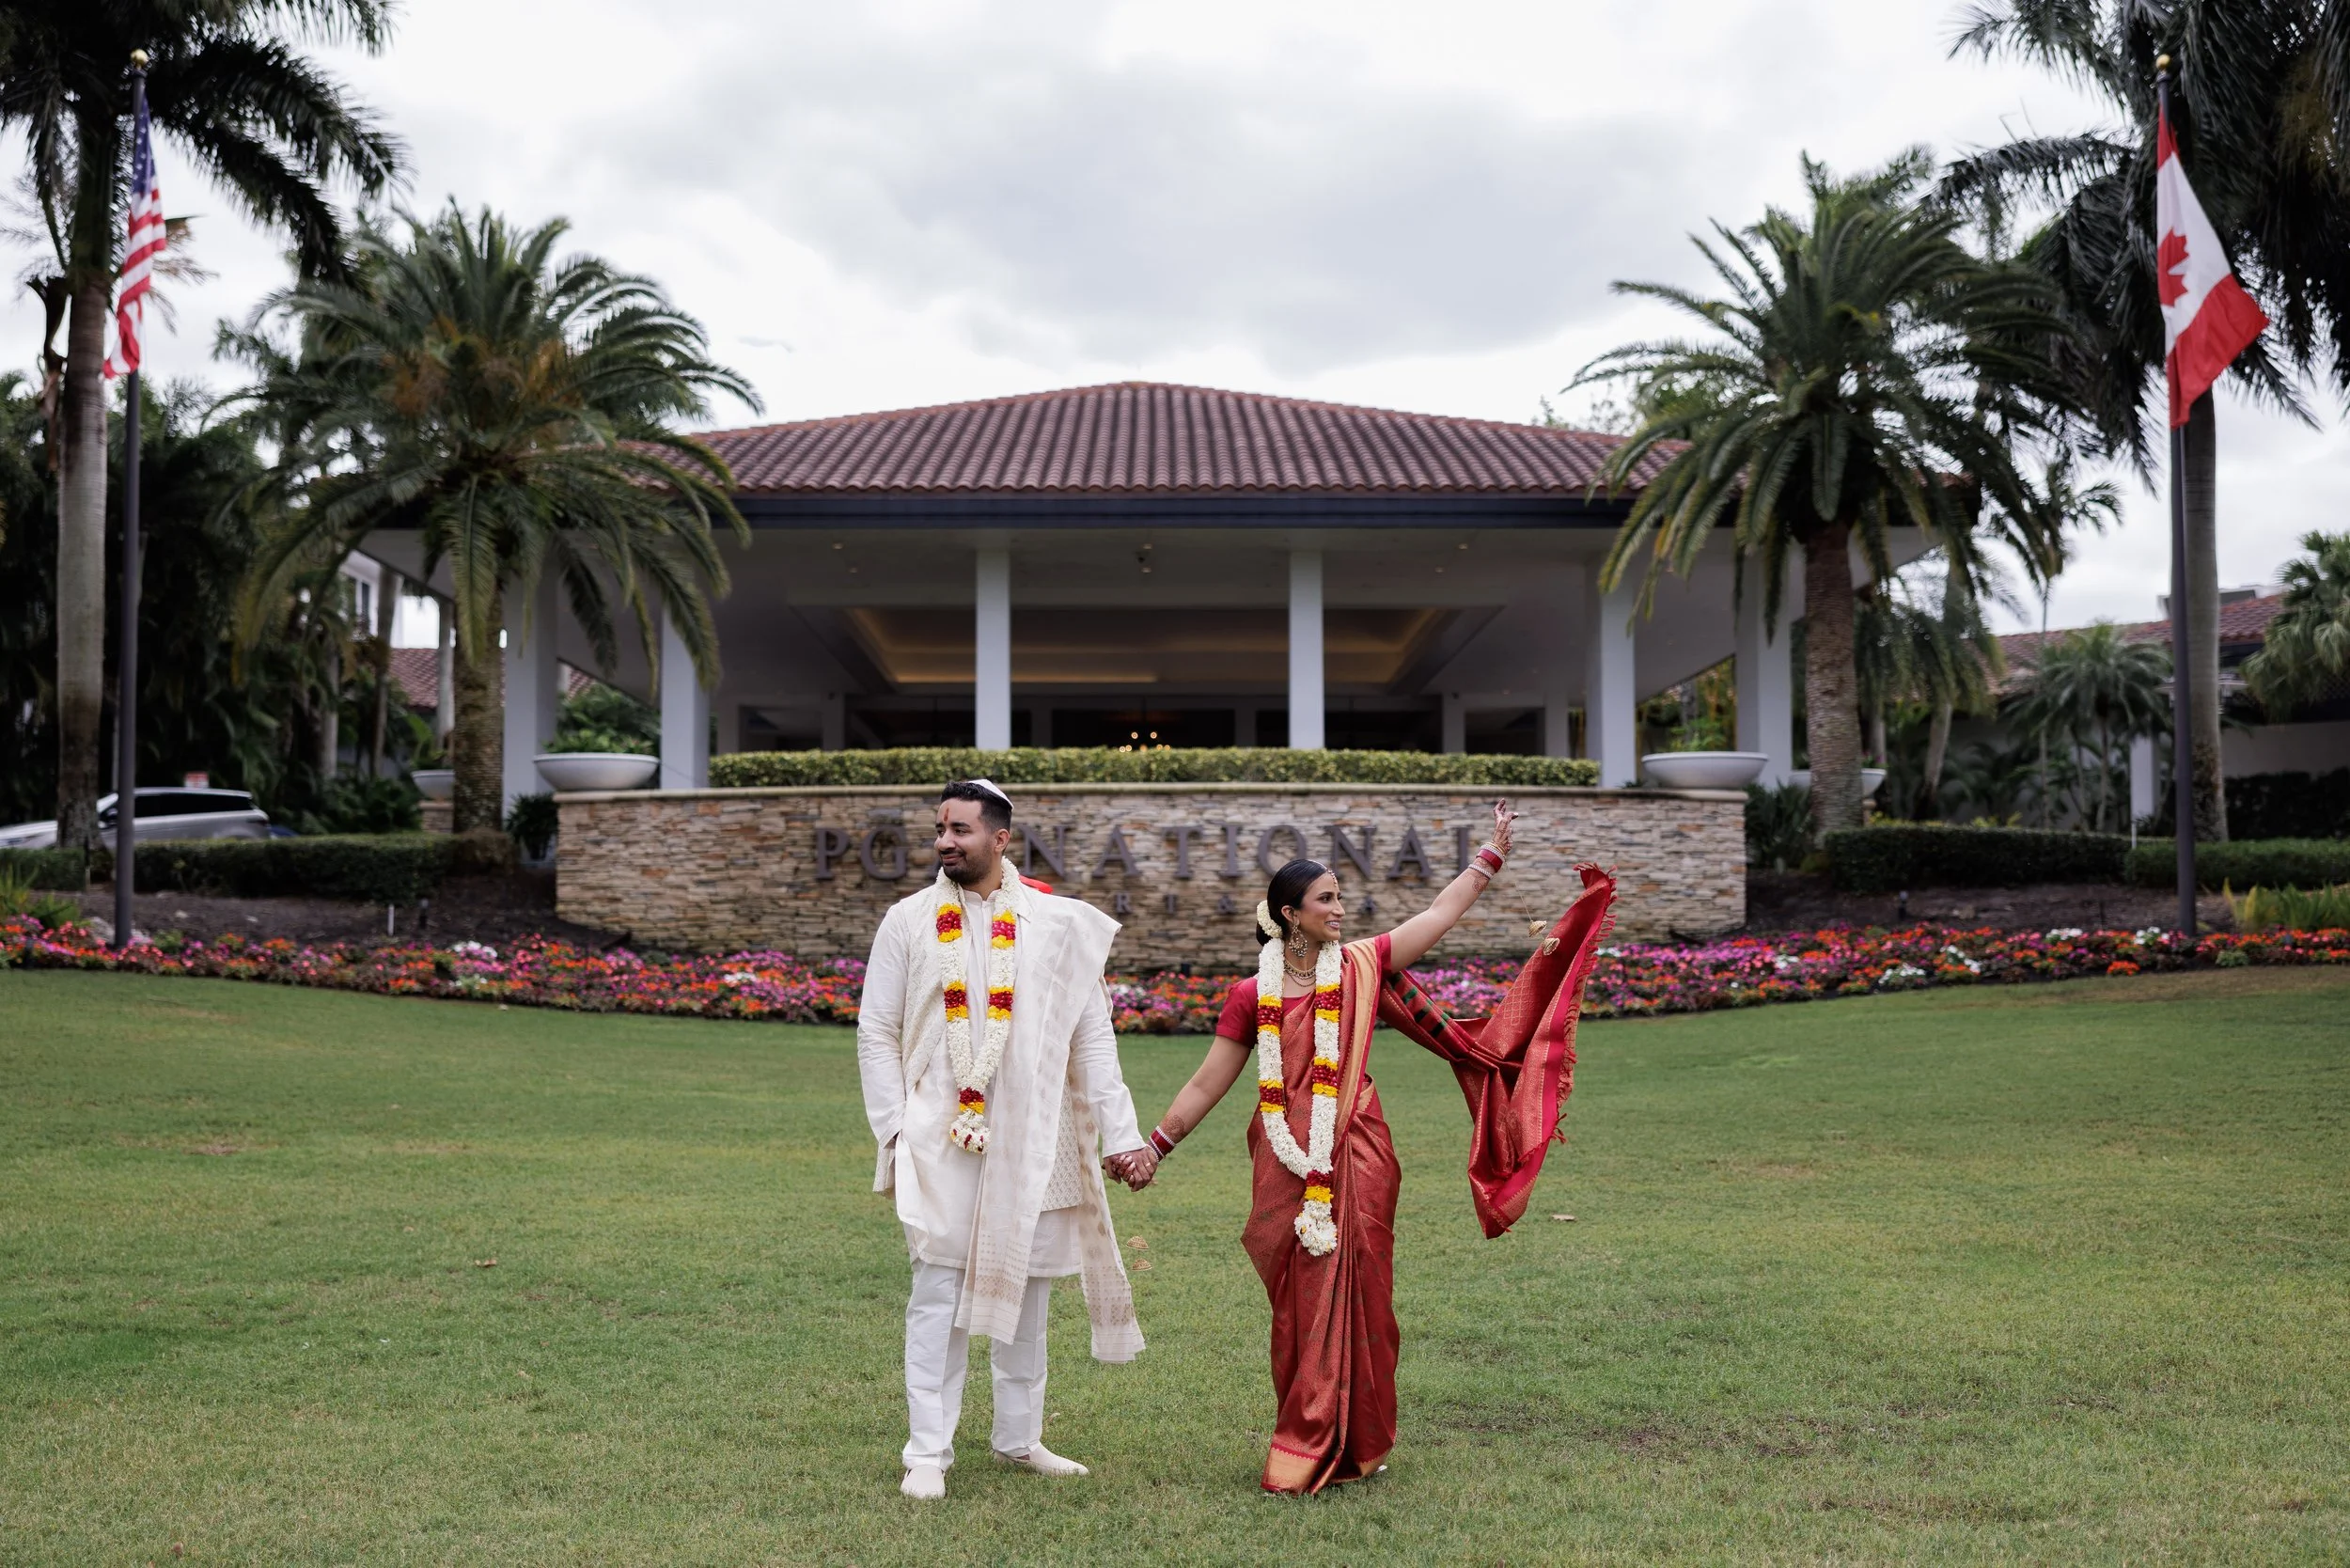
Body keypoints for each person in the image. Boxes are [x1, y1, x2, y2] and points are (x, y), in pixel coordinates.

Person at [1135, 801, 1619, 1495]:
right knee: (1299, 1304)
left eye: (1340, 896)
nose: (1341, 909)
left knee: (1365, 1295)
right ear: (1291, 915)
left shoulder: (1361, 965)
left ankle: (1356, 1441)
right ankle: (1306, 1432)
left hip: (1357, 1150)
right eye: (1326, 900)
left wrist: (1489, 858)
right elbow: (1208, 1080)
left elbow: (1436, 915)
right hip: (1284, 1158)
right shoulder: (1249, 995)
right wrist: (1156, 1146)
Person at [855, 778, 1158, 1501]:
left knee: (1028, 1293)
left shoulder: (1056, 923)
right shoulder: (909, 920)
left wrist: (1121, 1136)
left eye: (959, 829)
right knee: (938, 1291)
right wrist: (896, 1128)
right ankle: (927, 1452)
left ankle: (1019, 1439)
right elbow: (876, 1029)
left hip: (1034, 1135)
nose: (944, 841)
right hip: (941, 1134)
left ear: (1000, 838)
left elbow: (1093, 1037)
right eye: (940, 829)